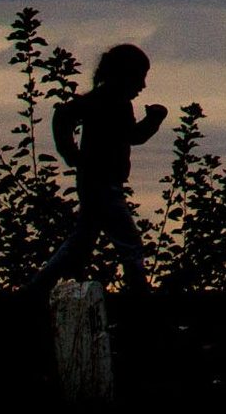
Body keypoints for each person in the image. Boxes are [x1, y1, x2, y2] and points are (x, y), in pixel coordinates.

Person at [35, 44, 168, 291]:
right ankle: (141, 298)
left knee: (80, 241)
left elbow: (130, 135)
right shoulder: (108, 102)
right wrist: (70, 153)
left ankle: (37, 289)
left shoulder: (108, 101)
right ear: (124, 75)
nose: (142, 86)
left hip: (95, 182)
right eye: (139, 77)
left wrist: (72, 154)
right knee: (130, 244)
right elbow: (133, 136)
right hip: (103, 184)